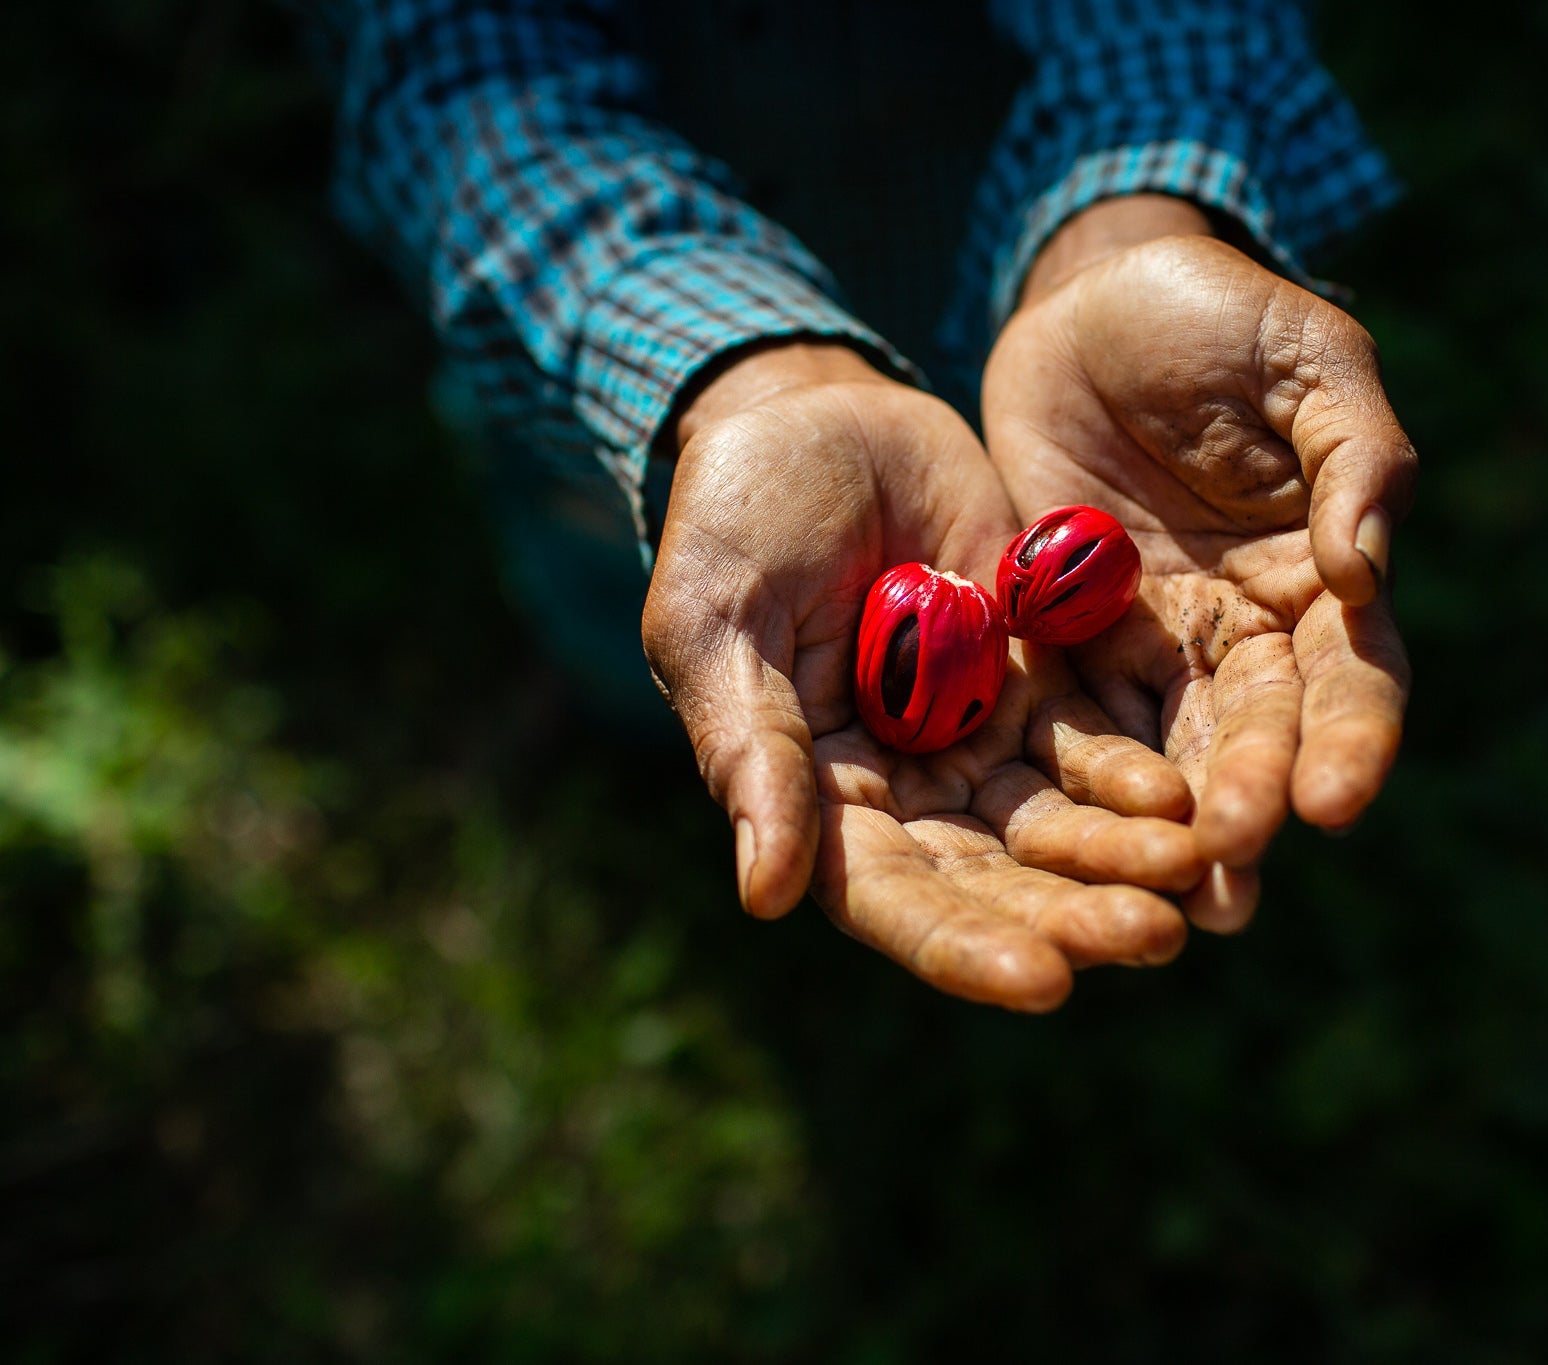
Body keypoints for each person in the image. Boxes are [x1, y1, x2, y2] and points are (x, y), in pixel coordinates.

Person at [311, 0, 1419, 1010]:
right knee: (647, 593)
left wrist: (1122, 224)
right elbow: (454, 73)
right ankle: (611, 703)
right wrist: (737, 377)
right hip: (640, 395)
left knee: (745, 630)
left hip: (1020, 308)